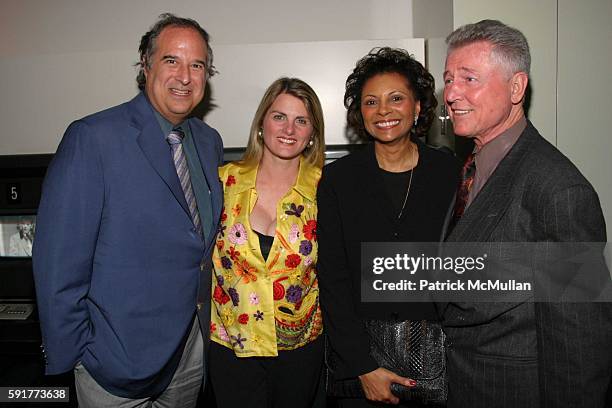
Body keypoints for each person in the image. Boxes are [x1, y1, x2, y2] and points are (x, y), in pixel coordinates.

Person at [33, 13, 223, 407]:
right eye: (172, 60)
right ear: (146, 64)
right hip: (113, 365)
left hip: (189, 356)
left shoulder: (208, 142)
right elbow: (58, 263)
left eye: (197, 65)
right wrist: (80, 355)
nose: (185, 76)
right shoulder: (93, 138)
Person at [442, 19, 612, 407]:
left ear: (516, 87)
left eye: (469, 79)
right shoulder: (471, 167)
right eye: (449, 79)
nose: (451, 93)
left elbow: (580, 344)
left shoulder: (558, 190)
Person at [317, 47, 459, 407]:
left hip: (437, 360)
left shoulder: (450, 174)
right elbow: (332, 277)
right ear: (359, 113)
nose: (383, 111)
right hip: (358, 362)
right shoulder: (338, 179)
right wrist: (363, 366)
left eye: (396, 98)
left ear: (417, 107)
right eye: (370, 102)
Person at [208, 77, 326, 407]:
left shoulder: (326, 188)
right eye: (279, 117)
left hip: (300, 350)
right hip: (231, 345)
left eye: (301, 120)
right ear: (262, 123)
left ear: (312, 132)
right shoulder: (222, 180)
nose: (289, 129)